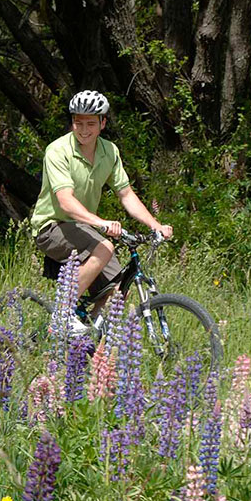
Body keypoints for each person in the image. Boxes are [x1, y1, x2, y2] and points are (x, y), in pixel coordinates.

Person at [30, 90, 173, 332]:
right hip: (51, 226)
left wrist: (155, 225)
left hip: (82, 228)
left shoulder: (110, 152)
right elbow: (65, 201)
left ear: (103, 123)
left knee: (117, 292)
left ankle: (85, 341)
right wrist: (101, 223)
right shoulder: (58, 150)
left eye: (90, 123)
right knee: (105, 246)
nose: (83, 129)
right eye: (78, 122)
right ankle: (62, 315)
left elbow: (126, 194)